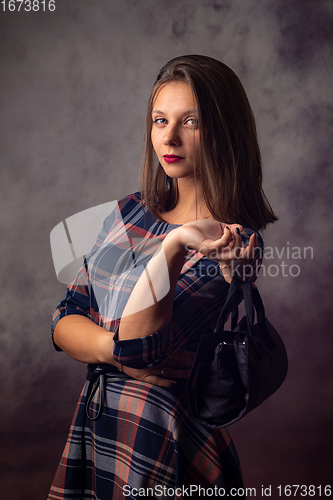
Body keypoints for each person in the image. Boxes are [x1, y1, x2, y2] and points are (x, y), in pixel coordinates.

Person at [48, 55, 277, 500]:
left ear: (223, 131)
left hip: (162, 433)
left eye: (190, 121)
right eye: (159, 120)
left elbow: (140, 341)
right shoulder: (127, 211)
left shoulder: (232, 241)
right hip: (100, 420)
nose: (168, 137)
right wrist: (117, 357)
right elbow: (63, 320)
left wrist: (176, 245)